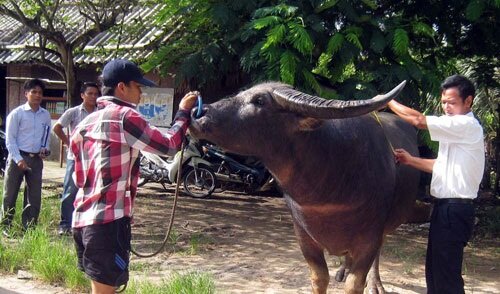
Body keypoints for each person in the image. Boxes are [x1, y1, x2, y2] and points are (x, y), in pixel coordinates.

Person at [69, 59, 198, 294]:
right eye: (138, 87)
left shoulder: (83, 125)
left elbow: (79, 180)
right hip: (107, 223)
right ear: (122, 87)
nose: (141, 93)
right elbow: (169, 146)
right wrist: (183, 112)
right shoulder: (125, 117)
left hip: (81, 220)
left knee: (99, 289)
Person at [387, 75, 485, 294]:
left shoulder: (465, 124)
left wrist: (387, 101)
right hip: (444, 209)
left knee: (447, 277)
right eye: (443, 102)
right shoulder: (456, 132)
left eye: (452, 102)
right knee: (435, 273)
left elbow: (420, 121)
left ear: (468, 101)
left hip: (455, 209)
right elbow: (442, 165)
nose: (447, 107)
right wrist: (410, 160)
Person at [1, 78, 51, 235]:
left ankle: (29, 228)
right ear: (26, 94)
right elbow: (10, 140)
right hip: (18, 157)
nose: (37, 95)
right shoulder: (17, 114)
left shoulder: (45, 115)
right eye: (34, 92)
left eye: (40, 93)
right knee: (10, 193)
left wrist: (45, 149)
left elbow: (47, 136)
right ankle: (6, 226)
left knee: (34, 196)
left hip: (36, 160)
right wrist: (18, 159)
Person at [52, 82, 99, 236]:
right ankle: (65, 224)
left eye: (95, 94)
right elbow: (57, 127)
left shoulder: (100, 112)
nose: (93, 96)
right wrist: (69, 143)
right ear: (82, 95)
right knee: (70, 191)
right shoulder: (73, 112)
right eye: (90, 93)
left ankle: (86, 224)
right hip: (76, 158)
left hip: (94, 158)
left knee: (92, 191)